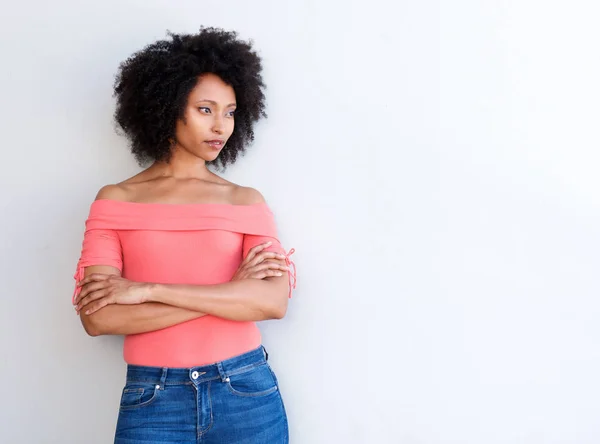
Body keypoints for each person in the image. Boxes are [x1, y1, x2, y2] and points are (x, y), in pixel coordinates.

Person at [71, 27, 296, 443]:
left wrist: (148, 289)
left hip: (245, 390)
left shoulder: (244, 201)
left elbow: (272, 301)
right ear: (168, 106)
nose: (221, 126)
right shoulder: (116, 199)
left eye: (230, 111)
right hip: (152, 399)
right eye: (205, 109)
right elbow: (99, 317)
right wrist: (231, 292)